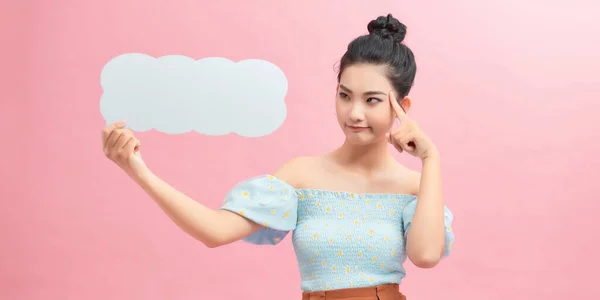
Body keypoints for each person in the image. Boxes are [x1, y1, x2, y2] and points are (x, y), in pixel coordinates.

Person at [101, 13, 455, 300]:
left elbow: (425, 257)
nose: (354, 113)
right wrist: (138, 170)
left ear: (402, 107)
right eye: (344, 95)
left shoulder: (415, 187)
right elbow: (214, 230)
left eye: (372, 100)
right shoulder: (301, 174)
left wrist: (431, 158)